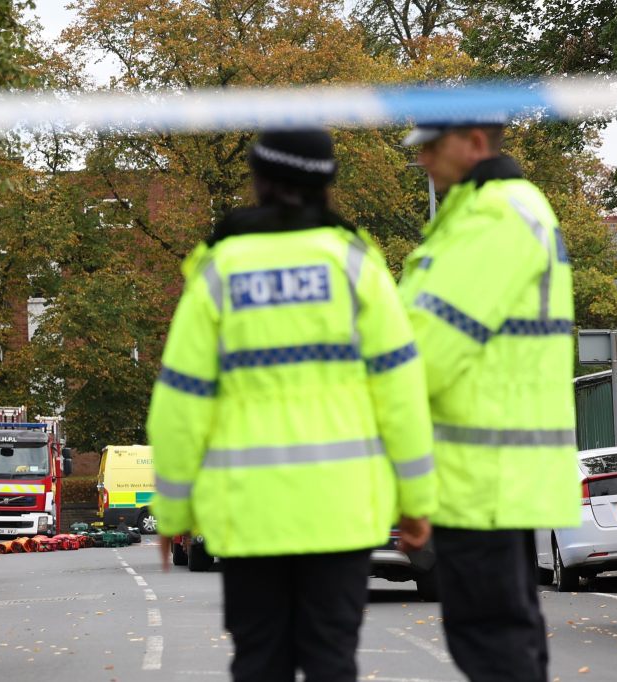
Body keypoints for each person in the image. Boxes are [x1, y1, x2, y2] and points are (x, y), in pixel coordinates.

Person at [147, 128, 437, 682]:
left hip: (251, 515)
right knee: (332, 660)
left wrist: (175, 511)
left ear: (258, 180)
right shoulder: (357, 268)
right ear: (327, 184)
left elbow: (181, 404)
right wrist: (417, 504)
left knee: (259, 661)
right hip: (343, 513)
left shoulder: (220, 271)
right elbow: (402, 394)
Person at [399, 120, 578, 682]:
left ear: (475, 141)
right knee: (504, 635)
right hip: (488, 471)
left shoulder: (493, 217)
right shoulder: (492, 213)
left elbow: (425, 349)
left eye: (432, 146)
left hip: (481, 475)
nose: (423, 159)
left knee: (492, 641)